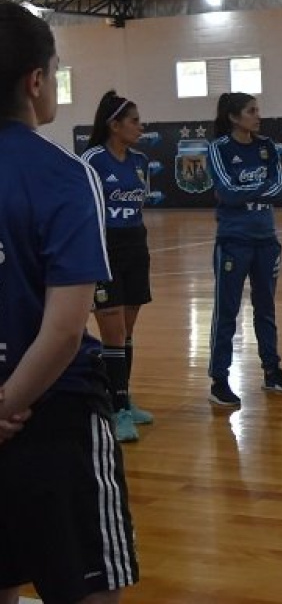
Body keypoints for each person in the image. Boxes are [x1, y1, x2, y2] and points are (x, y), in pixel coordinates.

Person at [0, 1, 138, 602]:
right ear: (36, 81)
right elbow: (62, 331)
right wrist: (6, 404)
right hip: (54, 417)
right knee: (86, 589)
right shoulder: (63, 173)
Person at [206, 92, 282, 407]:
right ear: (234, 117)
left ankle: (272, 371)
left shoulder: (267, 146)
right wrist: (260, 190)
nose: (258, 116)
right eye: (251, 111)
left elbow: (281, 189)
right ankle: (219, 380)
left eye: (258, 110)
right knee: (227, 312)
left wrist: (246, 191)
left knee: (266, 309)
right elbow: (226, 192)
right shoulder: (218, 148)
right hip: (234, 241)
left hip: (266, 241)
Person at [81, 91, 154, 442]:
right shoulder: (93, 160)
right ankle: (117, 408)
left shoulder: (140, 161)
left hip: (135, 247)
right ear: (114, 125)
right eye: (134, 121)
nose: (141, 127)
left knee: (125, 331)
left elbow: (141, 204)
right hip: (104, 250)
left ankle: (122, 397)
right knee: (111, 329)